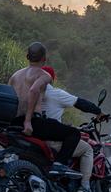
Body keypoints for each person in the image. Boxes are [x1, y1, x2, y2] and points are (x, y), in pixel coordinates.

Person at [8, 42, 81, 177]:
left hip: (14, 122)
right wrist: (28, 121)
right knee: (74, 133)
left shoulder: (15, 76)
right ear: (44, 59)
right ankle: (59, 165)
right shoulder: (44, 75)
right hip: (33, 123)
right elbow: (34, 90)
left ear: (27, 56)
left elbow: (8, 97)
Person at [41, 65, 103, 192]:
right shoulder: (55, 94)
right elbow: (80, 103)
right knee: (87, 149)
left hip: (36, 136)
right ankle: (85, 187)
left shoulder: (31, 93)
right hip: (52, 140)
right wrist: (98, 112)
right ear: (51, 79)